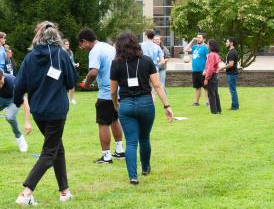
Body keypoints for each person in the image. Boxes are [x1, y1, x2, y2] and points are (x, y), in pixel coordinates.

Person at [13, 21, 77, 206]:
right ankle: (26, 193)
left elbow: (19, 85)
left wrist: (18, 101)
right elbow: (71, 80)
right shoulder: (61, 55)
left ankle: (64, 191)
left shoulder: (30, 57)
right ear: (56, 36)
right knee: (50, 151)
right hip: (56, 111)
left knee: (57, 147)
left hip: (39, 111)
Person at [109, 32, 174, 185]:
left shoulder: (116, 64)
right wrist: (167, 106)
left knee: (131, 142)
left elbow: (113, 90)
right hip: (146, 104)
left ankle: (133, 176)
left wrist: (115, 104)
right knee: (144, 138)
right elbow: (157, 85)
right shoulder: (146, 61)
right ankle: (145, 168)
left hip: (126, 104)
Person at [77, 28, 125, 164]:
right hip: (118, 90)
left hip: (106, 93)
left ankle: (106, 156)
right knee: (115, 120)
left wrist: (86, 85)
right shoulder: (108, 47)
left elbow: (93, 73)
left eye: (81, 45)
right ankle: (120, 150)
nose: (82, 48)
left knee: (103, 123)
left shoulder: (94, 51)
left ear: (85, 41)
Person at [184, 35, 209, 106]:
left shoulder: (205, 47)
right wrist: (192, 40)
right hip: (195, 70)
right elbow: (185, 49)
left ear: (203, 39)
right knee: (197, 87)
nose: (198, 39)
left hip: (202, 71)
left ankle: (207, 102)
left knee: (206, 88)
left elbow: (208, 59)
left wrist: (206, 69)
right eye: (197, 37)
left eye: (199, 38)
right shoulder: (195, 47)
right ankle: (196, 102)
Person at [202, 39, 222, 114]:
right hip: (216, 75)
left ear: (211, 46)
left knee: (211, 94)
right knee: (215, 93)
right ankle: (218, 109)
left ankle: (214, 111)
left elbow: (210, 68)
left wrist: (206, 78)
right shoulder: (216, 54)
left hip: (212, 76)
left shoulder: (211, 55)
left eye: (208, 44)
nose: (207, 45)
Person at [223, 38, 240, 110]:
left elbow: (231, 64)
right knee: (233, 90)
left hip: (232, 74)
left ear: (231, 43)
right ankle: (235, 105)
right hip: (231, 74)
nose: (226, 43)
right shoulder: (231, 52)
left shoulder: (232, 52)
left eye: (227, 42)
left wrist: (222, 68)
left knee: (232, 90)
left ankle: (235, 106)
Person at [64, 39, 78, 105]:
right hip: (64, 71)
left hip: (71, 70)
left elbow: (72, 62)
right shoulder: (61, 52)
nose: (67, 45)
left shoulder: (70, 52)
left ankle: (72, 99)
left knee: (72, 84)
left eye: (68, 44)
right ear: (63, 45)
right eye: (66, 44)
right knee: (64, 86)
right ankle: (66, 99)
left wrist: (75, 64)